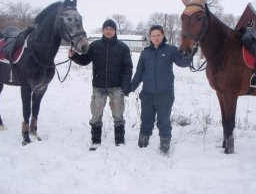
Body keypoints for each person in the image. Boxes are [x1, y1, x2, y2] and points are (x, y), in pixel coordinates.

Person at [69, 19, 133, 150]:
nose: (109, 30)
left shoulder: (123, 47)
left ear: (115, 31)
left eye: (111, 28)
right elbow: (85, 60)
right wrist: (74, 57)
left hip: (116, 86)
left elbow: (128, 68)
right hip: (99, 86)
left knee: (118, 113)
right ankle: (96, 140)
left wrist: (126, 85)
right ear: (103, 30)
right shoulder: (95, 46)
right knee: (96, 113)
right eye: (106, 28)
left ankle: (119, 140)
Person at [131, 25, 193, 154]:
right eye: (153, 35)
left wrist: (190, 53)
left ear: (163, 35)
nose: (156, 38)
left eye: (158, 35)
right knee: (146, 121)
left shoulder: (171, 50)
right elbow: (139, 73)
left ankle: (164, 148)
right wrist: (130, 88)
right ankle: (142, 146)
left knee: (163, 122)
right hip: (147, 94)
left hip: (165, 95)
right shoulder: (145, 53)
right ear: (150, 37)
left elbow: (183, 63)